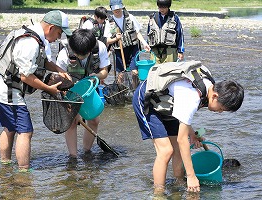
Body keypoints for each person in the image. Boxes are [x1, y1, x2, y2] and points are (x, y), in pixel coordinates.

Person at [132, 61, 244, 193]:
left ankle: (178, 185)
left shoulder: (208, 84)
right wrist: (191, 176)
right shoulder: (192, 97)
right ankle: (158, 194)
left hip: (167, 103)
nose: (219, 112)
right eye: (221, 109)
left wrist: (192, 133)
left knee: (178, 150)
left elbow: (183, 113)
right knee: (166, 151)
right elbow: (182, 139)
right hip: (147, 100)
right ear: (215, 96)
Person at [0, 10, 72, 171]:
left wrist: (58, 69)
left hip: (0, 86)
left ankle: (5, 164)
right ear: (51, 28)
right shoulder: (31, 43)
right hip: (8, 91)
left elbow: (43, 61)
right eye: (59, 33)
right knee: (26, 131)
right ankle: (24, 171)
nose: (57, 38)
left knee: (10, 127)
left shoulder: (32, 34)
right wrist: (49, 89)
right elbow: (25, 76)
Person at [56, 29, 110, 157]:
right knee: (72, 122)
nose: (79, 57)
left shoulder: (100, 47)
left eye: (83, 54)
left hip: (90, 88)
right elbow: (59, 80)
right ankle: (73, 157)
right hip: (70, 91)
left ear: (90, 50)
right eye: (77, 54)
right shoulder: (64, 54)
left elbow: (105, 71)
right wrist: (73, 108)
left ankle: (86, 152)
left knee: (94, 120)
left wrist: (96, 75)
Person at [109, 0, 151, 89]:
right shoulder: (109, 22)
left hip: (133, 48)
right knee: (120, 74)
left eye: (118, 8)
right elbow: (107, 40)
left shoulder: (130, 17)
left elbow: (137, 32)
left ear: (121, 7)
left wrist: (144, 43)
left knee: (134, 71)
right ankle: (121, 91)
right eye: (114, 9)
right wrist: (115, 38)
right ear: (111, 9)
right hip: (119, 50)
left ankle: (135, 90)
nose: (117, 11)